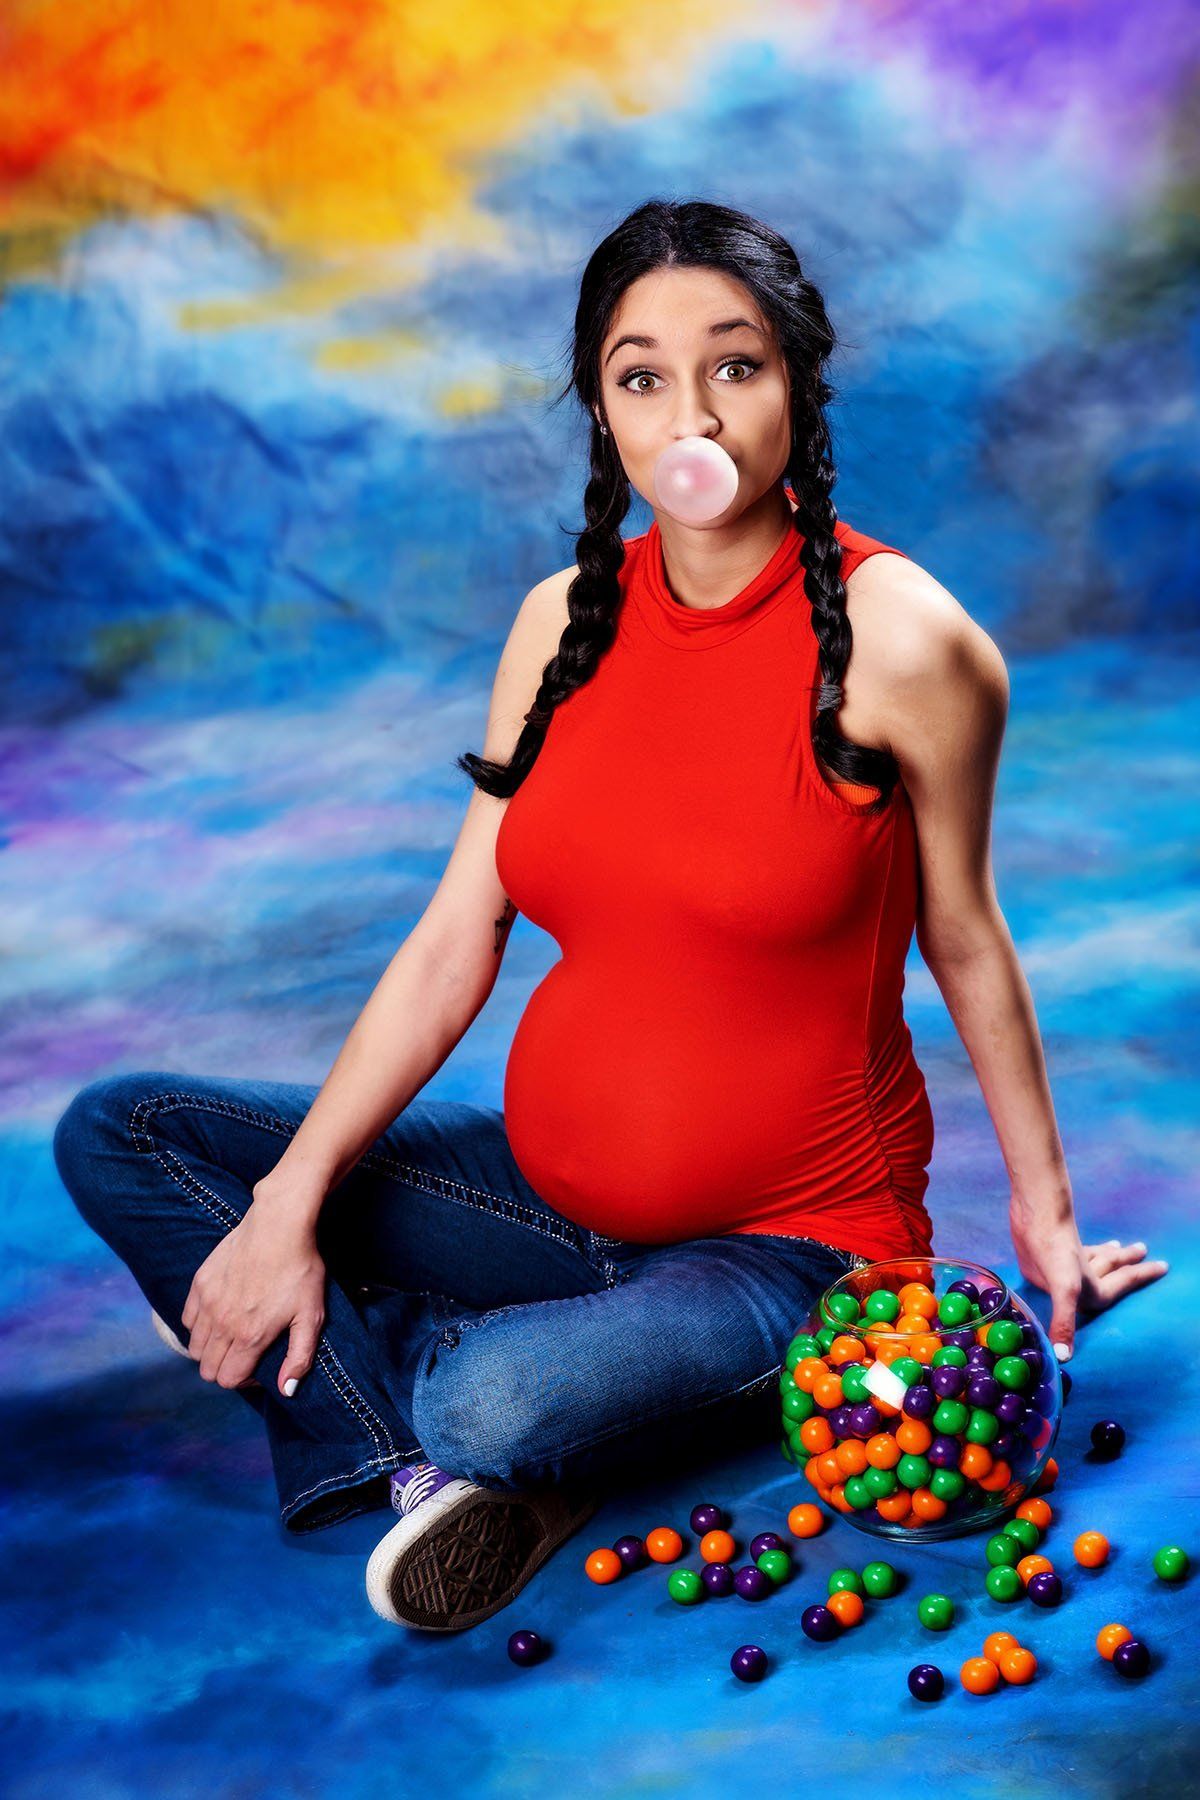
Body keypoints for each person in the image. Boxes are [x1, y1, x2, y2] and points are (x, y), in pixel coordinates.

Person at [51, 198, 1168, 1635]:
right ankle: (400, 1434)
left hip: (790, 1248)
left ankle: (403, 1399)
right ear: (603, 406)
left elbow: (967, 940)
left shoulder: (908, 643)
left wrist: (1049, 1218)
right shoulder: (558, 621)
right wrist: (281, 1202)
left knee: (492, 1391)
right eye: (643, 374)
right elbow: (459, 937)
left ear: (797, 385)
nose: (690, 410)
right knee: (126, 1133)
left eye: (736, 364)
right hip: (542, 1201)